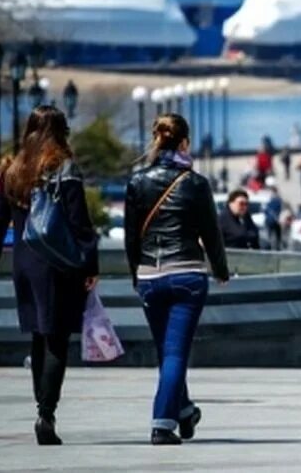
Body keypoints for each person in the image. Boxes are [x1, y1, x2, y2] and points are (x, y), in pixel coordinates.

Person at [0, 106, 99, 446]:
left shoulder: (12, 171)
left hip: (24, 265)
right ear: (61, 132)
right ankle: (46, 413)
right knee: (56, 339)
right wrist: (90, 266)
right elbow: (79, 222)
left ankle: (42, 408)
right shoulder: (64, 169)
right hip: (56, 264)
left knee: (39, 337)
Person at [125, 113, 230, 445]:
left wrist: (135, 274)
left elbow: (131, 237)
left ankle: (184, 410)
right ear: (184, 142)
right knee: (175, 353)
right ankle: (162, 423)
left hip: (149, 276)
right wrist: (221, 269)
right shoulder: (195, 183)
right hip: (186, 274)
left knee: (167, 351)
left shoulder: (137, 181)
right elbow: (211, 233)